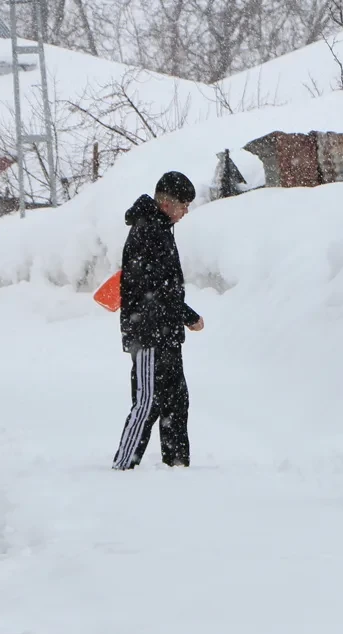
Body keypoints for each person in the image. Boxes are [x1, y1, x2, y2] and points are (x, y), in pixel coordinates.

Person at [111, 171, 204, 471]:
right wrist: (189, 316)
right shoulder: (148, 232)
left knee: (176, 401)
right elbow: (158, 291)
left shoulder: (160, 229)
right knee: (147, 402)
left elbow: (165, 288)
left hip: (165, 332)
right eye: (184, 205)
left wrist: (180, 318)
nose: (186, 211)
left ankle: (177, 468)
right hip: (149, 333)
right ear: (167, 204)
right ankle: (122, 467)